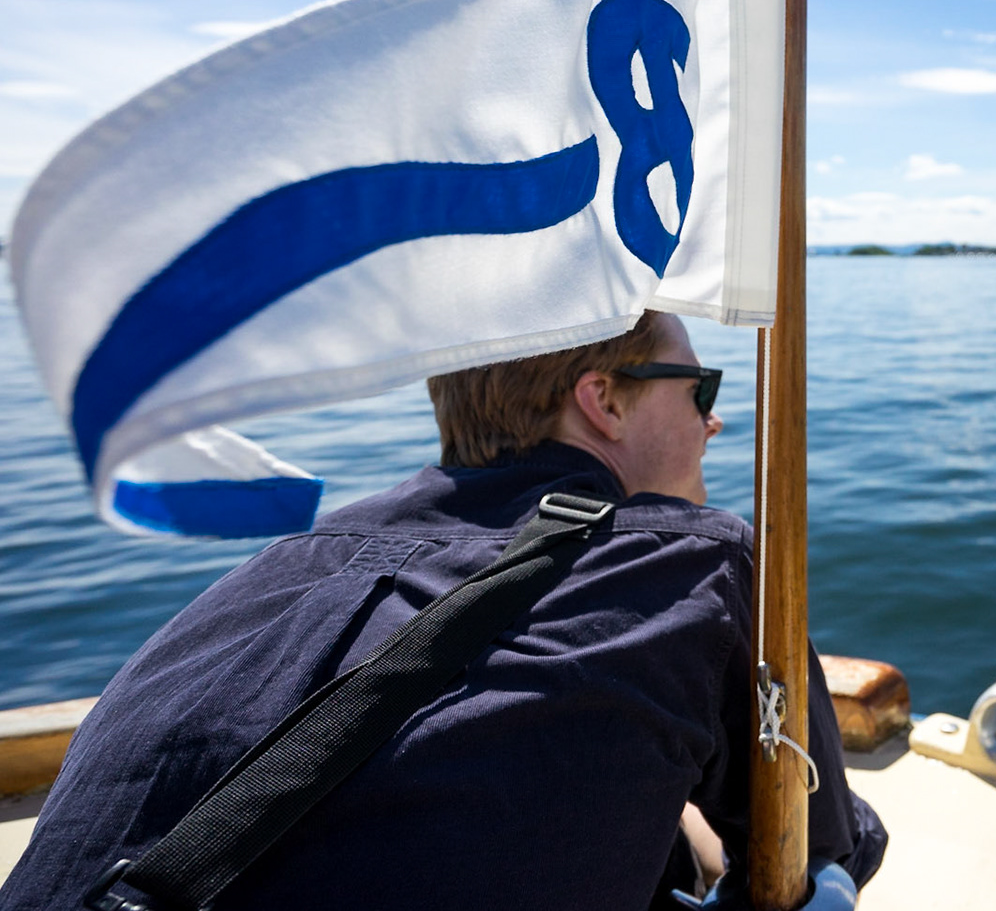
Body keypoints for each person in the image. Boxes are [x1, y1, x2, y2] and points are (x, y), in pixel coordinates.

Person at [1, 311, 886, 910]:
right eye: (701, 390)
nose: (715, 424)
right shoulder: (694, 557)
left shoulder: (282, 566)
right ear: (603, 400)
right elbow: (814, 857)